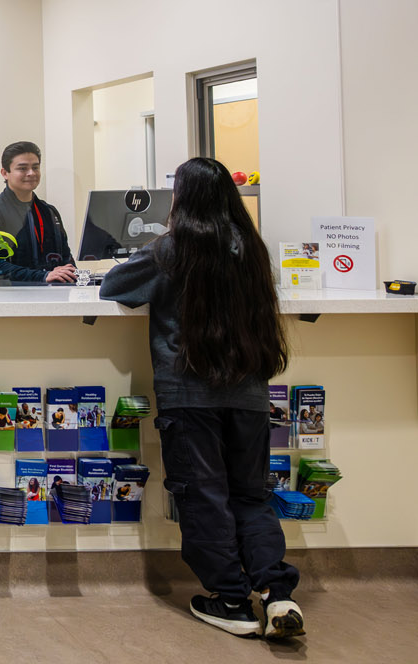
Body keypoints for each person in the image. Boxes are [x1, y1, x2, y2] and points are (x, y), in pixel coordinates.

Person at [101, 157, 301, 641]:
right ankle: (277, 594)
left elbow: (114, 287)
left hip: (189, 395)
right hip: (249, 392)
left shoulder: (172, 248)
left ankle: (231, 600)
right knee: (250, 495)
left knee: (205, 497)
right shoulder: (250, 249)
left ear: (182, 199)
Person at [0, 141, 77, 284]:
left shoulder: (49, 211)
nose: (31, 173)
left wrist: (71, 273)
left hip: (55, 296)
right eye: (22, 168)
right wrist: (42, 276)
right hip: (11, 298)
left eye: (35, 167)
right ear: (5, 173)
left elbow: (66, 258)